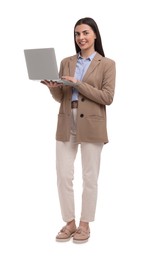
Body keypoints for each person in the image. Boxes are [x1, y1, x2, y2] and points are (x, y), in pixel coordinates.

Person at [41, 17, 116, 243]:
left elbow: (107, 97)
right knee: (63, 174)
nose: (80, 38)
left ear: (94, 35)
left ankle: (84, 224)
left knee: (89, 176)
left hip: (92, 122)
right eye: (77, 34)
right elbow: (61, 97)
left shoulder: (107, 64)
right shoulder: (66, 61)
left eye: (85, 33)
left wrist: (78, 83)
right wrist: (54, 88)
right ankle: (69, 222)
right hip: (67, 119)